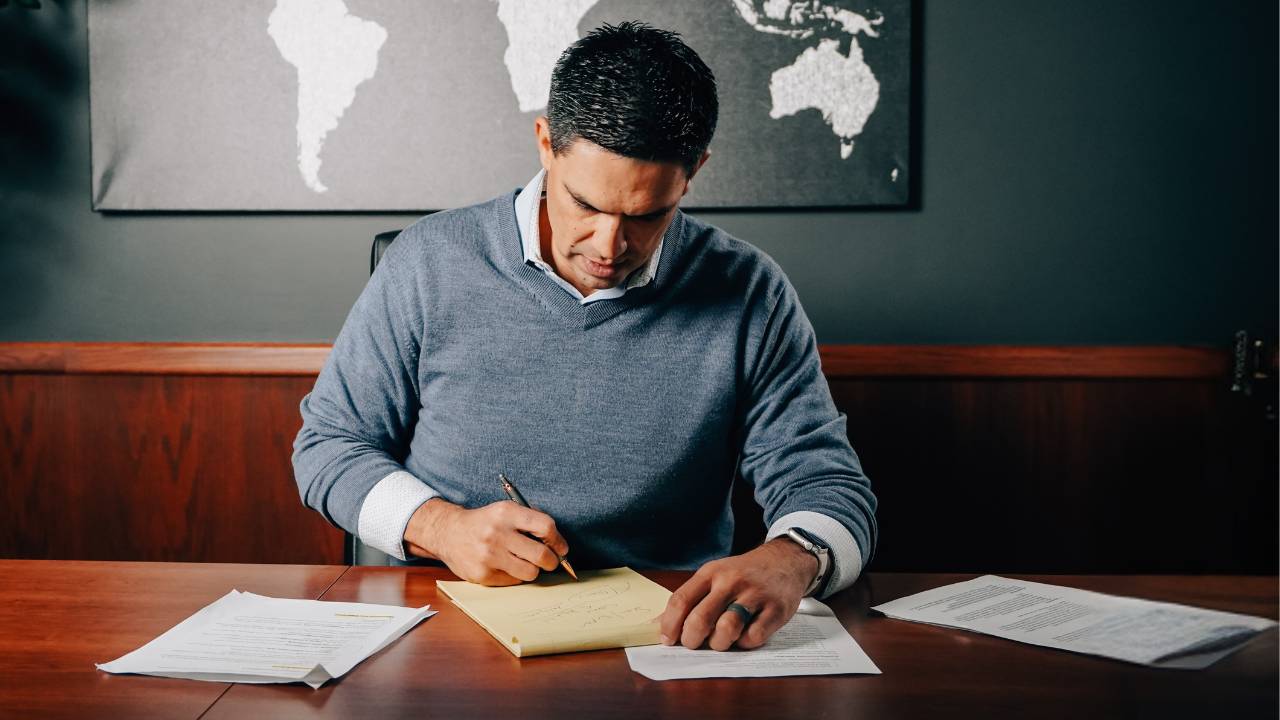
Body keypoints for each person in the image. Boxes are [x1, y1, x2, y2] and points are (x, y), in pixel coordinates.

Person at [293, 21, 876, 653]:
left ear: (693, 173)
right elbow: (327, 446)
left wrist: (792, 560)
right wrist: (441, 527)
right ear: (546, 143)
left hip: (674, 637)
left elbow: (828, 482)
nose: (609, 247)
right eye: (586, 205)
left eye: (646, 215)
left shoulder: (749, 290)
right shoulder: (427, 262)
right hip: (452, 630)